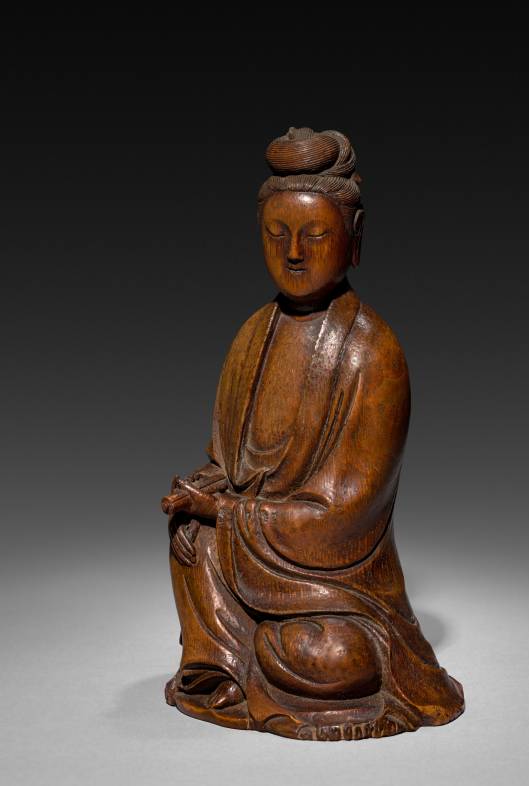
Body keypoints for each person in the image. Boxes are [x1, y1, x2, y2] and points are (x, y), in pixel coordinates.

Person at [162, 127, 464, 741]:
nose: (294, 252)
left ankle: (275, 659)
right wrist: (201, 493)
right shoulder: (253, 335)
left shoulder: (372, 351)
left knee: (332, 655)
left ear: (356, 240)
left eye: (316, 235)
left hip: (337, 584)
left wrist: (227, 511)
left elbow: (347, 513)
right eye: (277, 235)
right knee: (190, 536)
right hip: (255, 552)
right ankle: (226, 667)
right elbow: (230, 464)